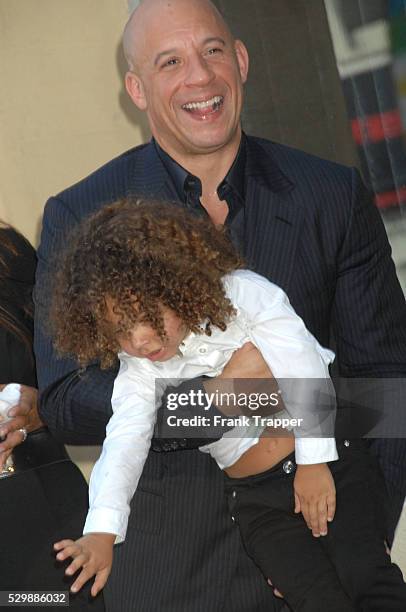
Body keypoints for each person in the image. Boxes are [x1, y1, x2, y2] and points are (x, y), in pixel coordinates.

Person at [32, 0, 406, 610]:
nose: (199, 76)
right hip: (175, 572)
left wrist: (362, 534)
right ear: (137, 88)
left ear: (241, 60)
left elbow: (387, 384)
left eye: (212, 51)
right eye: (170, 61)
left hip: (325, 537)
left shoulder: (330, 193)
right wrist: (213, 402)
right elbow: (69, 402)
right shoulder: (81, 214)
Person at [49, 199, 406, 611]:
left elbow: (303, 364)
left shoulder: (243, 294)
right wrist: (102, 532)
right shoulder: (139, 369)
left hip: (330, 458)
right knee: (314, 599)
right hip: (256, 497)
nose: (139, 341)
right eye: (119, 330)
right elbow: (124, 441)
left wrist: (313, 462)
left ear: (175, 284)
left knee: (364, 575)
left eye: (147, 316)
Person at [0, 222, 105, 611]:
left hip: (30, 492)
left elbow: (84, 368)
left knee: (53, 602)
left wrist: (41, 407)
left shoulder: (9, 257)